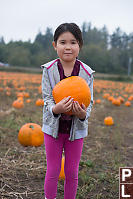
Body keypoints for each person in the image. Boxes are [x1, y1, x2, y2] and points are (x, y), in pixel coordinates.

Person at [41, 23, 95, 199]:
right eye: (62, 42)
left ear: (79, 45)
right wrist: (56, 109)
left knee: (71, 171)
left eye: (73, 42)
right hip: (53, 129)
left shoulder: (87, 73)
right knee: (54, 170)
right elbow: (47, 98)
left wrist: (82, 114)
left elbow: (90, 101)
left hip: (76, 131)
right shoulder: (48, 70)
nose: (68, 47)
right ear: (54, 45)